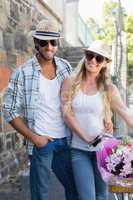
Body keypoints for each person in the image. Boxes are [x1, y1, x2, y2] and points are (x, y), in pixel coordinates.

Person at [3, 19, 79, 200]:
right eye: (44, 42)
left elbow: (74, 100)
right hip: (42, 143)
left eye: (53, 42)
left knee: (75, 189)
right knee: (41, 196)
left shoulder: (65, 67)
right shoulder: (22, 72)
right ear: (36, 43)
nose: (49, 47)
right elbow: (9, 110)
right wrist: (35, 138)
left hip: (65, 141)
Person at [61, 40, 133, 200]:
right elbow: (67, 114)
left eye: (98, 58)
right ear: (85, 56)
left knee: (102, 195)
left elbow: (126, 113)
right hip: (79, 149)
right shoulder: (70, 82)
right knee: (87, 197)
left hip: (103, 151)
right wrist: (86, 138)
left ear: (105, 63)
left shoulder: (109, 89)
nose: (92, 60)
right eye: (89, 55)